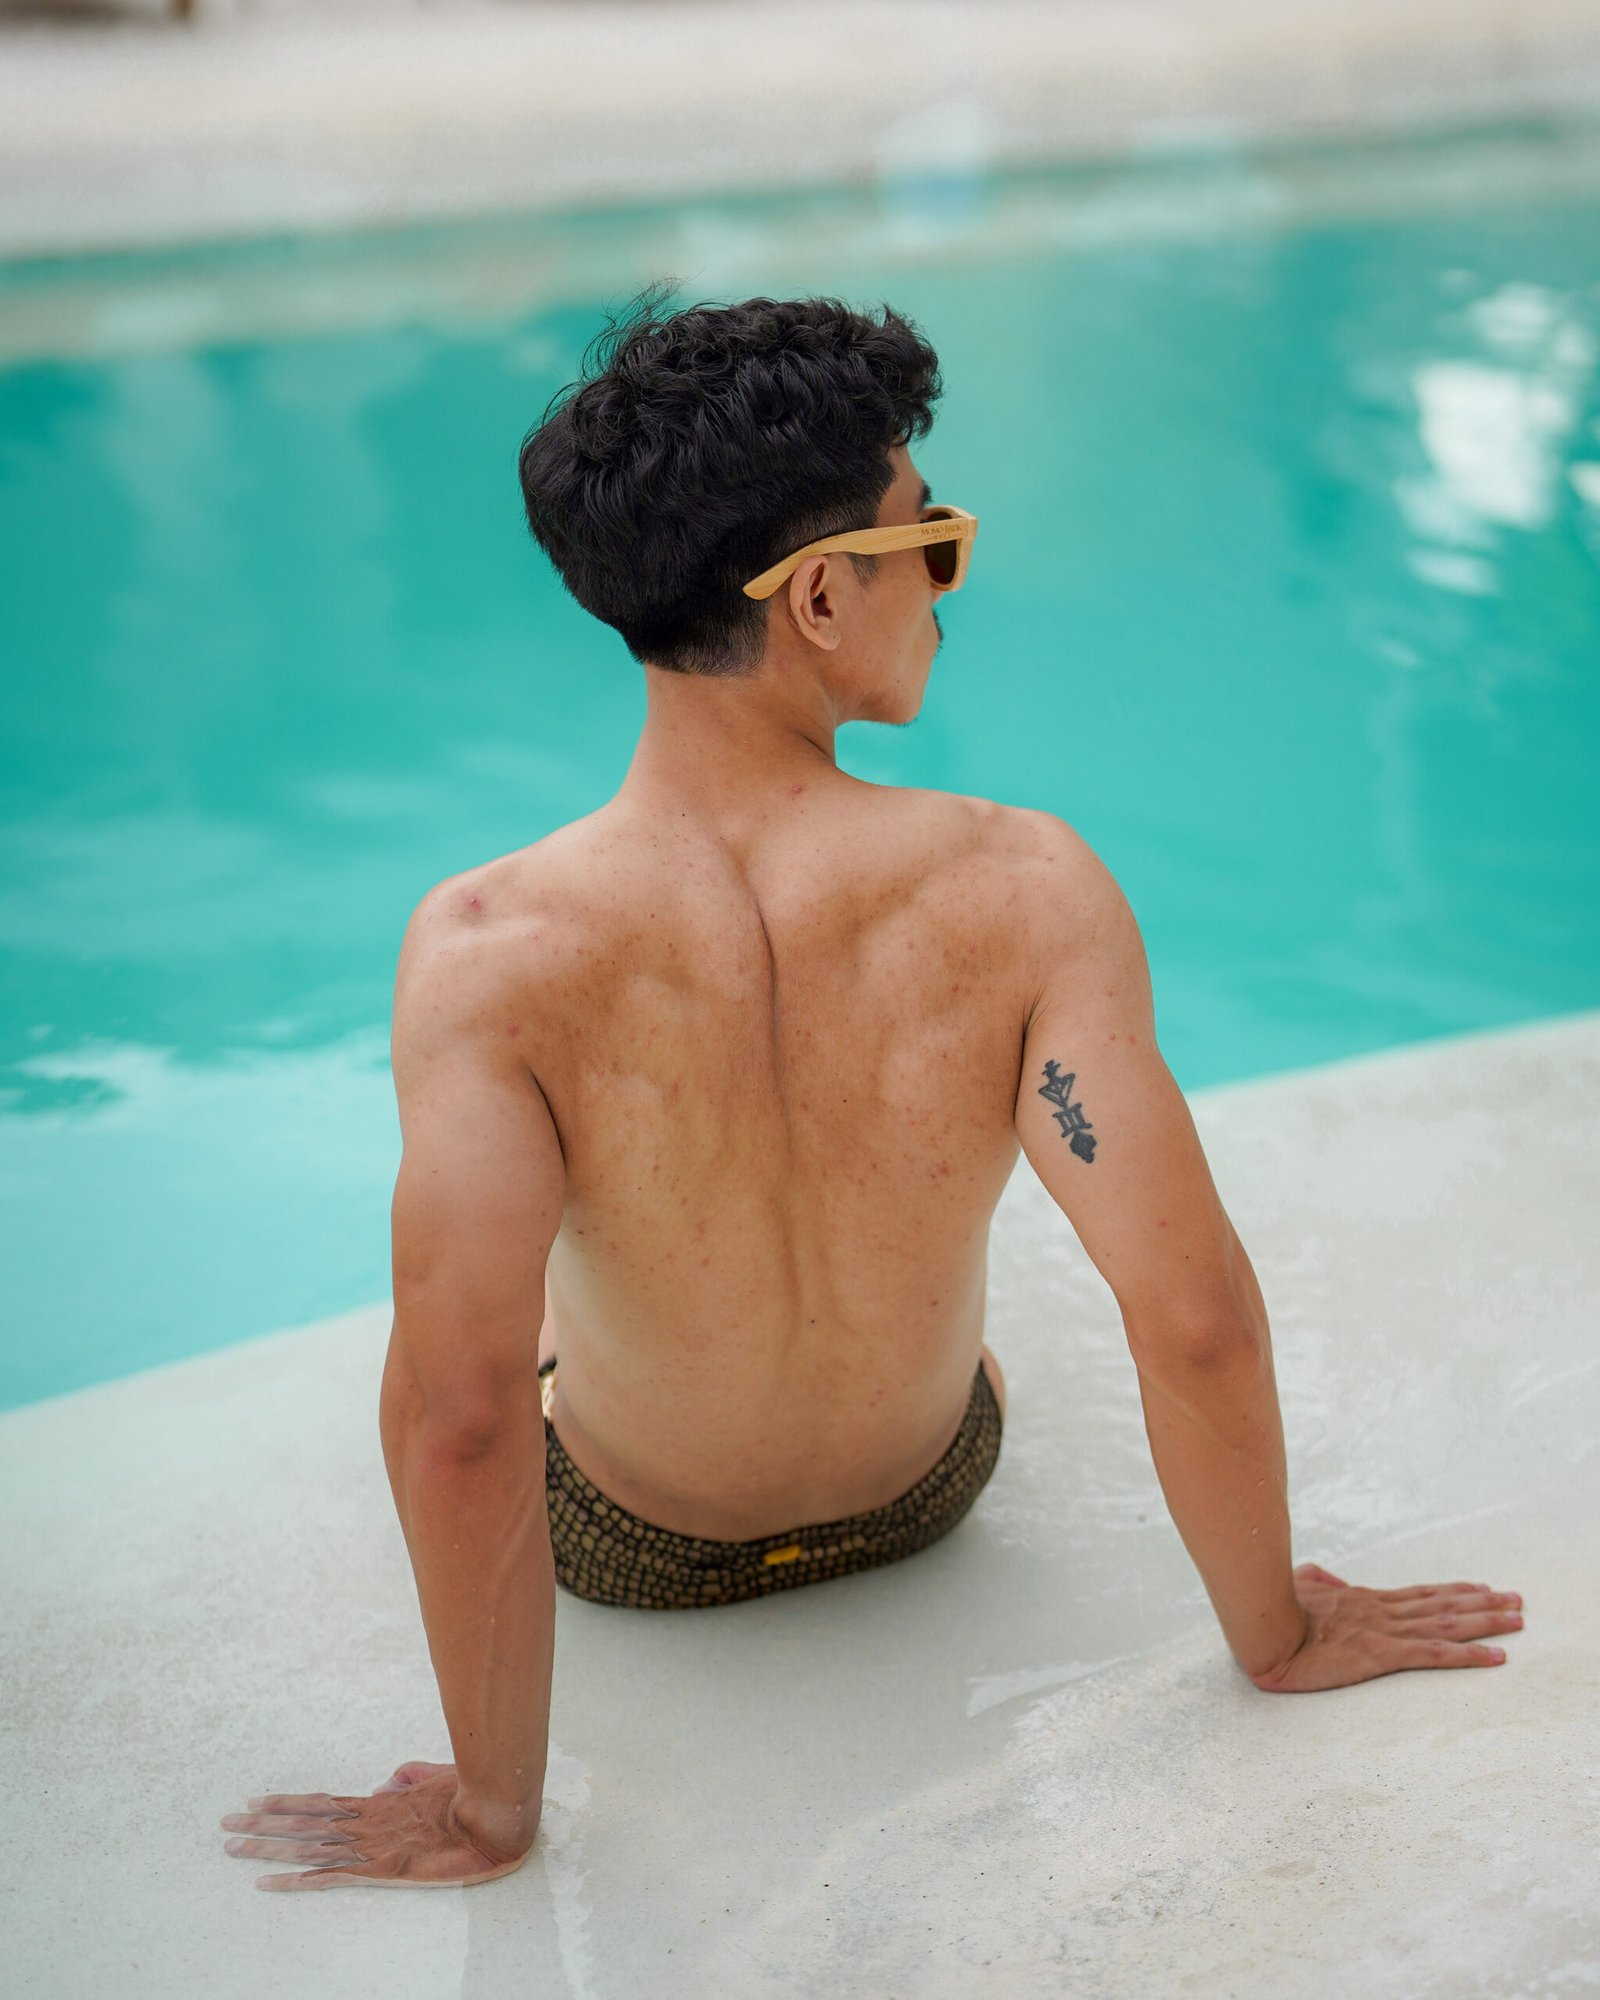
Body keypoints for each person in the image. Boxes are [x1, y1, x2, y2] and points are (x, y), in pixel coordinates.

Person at [219, 288, 1524, 1892]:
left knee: (481, 1329)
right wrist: (1283, 1632)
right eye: (934, 538)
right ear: (826, 598)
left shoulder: (489, 949)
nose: (949, 582)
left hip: (631, 1544)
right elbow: (1193, 1317)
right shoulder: (1027, 886)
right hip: (926, 1490)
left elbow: (467, 1422)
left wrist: (493, 1815)